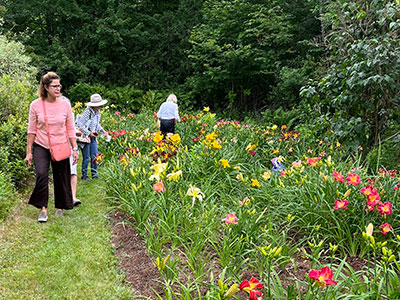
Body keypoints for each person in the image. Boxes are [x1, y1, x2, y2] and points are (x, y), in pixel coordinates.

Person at [25, 72, 78, 222]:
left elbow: (70, 129)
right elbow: (32, 130)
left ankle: (60, 207)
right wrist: (29, 152)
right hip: (41, 145)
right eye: (54, 86)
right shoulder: (35, 105)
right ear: (46, 87)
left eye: (59, 85)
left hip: (60, 144)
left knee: (61, 176)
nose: (58, 89)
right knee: (41, 175)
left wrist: (74, 148)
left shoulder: (65, 105)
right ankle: (43, 209)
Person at [76, 93, 108, 180]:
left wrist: (103, 131)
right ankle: (84, 175)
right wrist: (89, 133)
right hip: (86, 137)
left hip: (93, 136)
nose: (101, 106)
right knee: (86, 157)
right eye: (99, 105)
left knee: (94, 156)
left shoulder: (98, 112)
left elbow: (96, 124)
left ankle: (94, 174)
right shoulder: (88, 112)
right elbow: (80, 125)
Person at [61, 96, 81, 206]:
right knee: (63, 172)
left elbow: (71, 128)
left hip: (71, 145)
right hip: (59, 146)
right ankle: (64, 196)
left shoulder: (71, 115)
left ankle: (73, 196)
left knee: (73, 171)